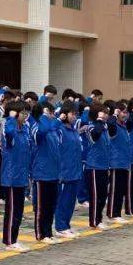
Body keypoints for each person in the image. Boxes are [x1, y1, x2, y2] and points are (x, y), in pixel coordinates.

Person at [0, 101, 31, 250]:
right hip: (11, 177)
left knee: (19, 210)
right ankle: (9, 241)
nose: (26, 116)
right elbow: (10, 133)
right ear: (15, 113)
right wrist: (11, 118)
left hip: (22, 176)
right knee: (11, 211)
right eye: (23, 113)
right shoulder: (8, 129)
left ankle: (14, 238)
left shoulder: (25, 130)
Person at [30, 102, 61, 244]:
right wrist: (43, 116)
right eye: (50, 112)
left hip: (53, 173)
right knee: (41, 206)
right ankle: (41, 234)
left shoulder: (52, 131)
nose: (52, 115)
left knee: (51, 205)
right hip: (41, 173)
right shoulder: (36, 127)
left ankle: (48, 231)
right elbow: (42, 132)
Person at [54, 102, 83, 239]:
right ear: (65, 115)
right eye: (72, 114)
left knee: (71, 201)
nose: (74, 116)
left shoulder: (73, 130)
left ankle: (66, 225)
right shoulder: (59, 129)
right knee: (63, 201)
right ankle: (60, 227)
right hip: (65, 172)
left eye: (75, 114)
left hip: (75, 171)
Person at [83, 104, 112, 230]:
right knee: (95, 196)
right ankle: (94, 220)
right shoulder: (90, 128)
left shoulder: (104, 129)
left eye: (106, 112)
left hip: (104, 167)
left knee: (102, 195)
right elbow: (95, 135)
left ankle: (99, 219)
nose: (105, 115)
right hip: (93, 167)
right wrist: (99, 120)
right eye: (102, 112)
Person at [106, 101, 132, 225]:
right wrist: (115, 114)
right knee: (115, 190)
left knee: (121, 190)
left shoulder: (124, 126)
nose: (125, 114)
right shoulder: (114, 125)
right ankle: (112, 213)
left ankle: (117, 212)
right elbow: (110, 123)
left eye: (126, 112)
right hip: (116, 162)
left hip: (124, 162)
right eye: (122, 112)